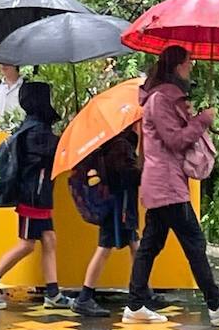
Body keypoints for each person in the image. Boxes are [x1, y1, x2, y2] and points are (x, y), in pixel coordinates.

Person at [124, 45, 219, 324]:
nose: (192, 65)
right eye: (188, 61)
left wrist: (190, 116)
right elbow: (175, 140)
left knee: (151, 245)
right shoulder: (160, 100)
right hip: (167, 183)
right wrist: (202, 121)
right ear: (177, 65)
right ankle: (216, 304)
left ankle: (135, 305)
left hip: (164, 182)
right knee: (194, 241)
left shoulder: (164, 99)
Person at [0, 80, 70, 311]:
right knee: (27, 244)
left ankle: (53, 293)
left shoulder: (33, 128)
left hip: (39, 195)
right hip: (33, 197)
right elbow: (45, 157)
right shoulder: (36, 131)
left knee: (49, 240)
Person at [71, 126, 167, 318]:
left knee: (135, 246)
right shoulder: (121, 145)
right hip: (117, 208)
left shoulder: (120, 142)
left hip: (121, 206)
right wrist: (144, 165)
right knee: (105, 248)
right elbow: (130, 176)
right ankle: (84, 297)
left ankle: (143, 291)